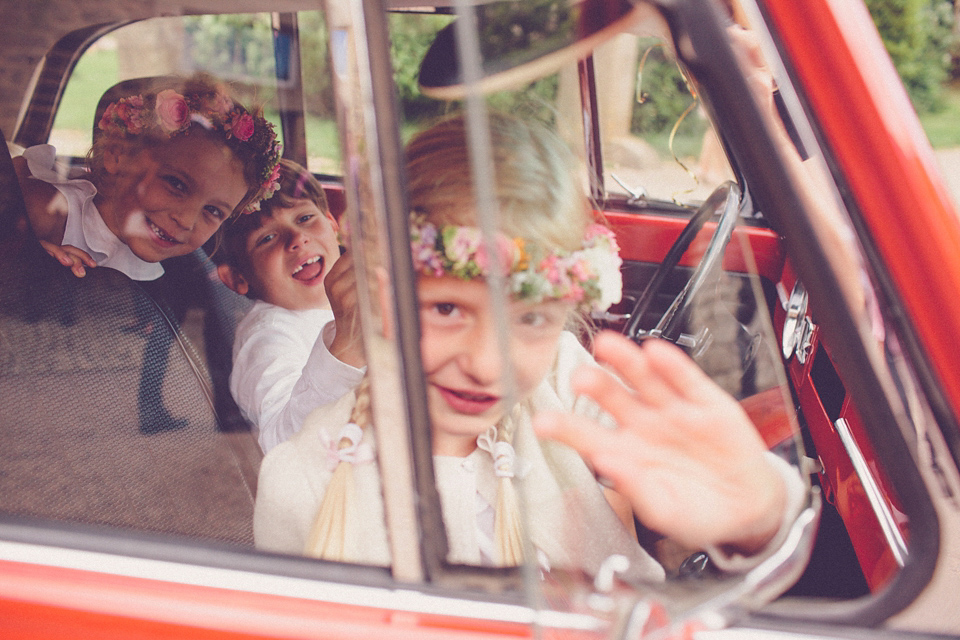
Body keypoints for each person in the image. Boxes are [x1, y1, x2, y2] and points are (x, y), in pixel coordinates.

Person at [253, 112, 804, 582]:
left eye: (532, 317)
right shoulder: (301, 482)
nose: (488, 364)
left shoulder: (564, 380)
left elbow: (691, 476)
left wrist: (754, 515)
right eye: (447, 309)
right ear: (379, 293)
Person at [13, 73, 283, 282]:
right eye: (176, 184)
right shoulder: (43, 211)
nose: (186, 220)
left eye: (212, 210)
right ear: (117, 155)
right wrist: (21, 257)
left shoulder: (167, 260)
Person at [213, 159, 365, 452]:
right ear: (236, 278)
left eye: (305, 218)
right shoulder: (266, 339)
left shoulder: (356, 297)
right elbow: (283, 441)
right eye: (267, 238)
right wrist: (345, 342)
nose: (297, 239)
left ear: (333, 225)